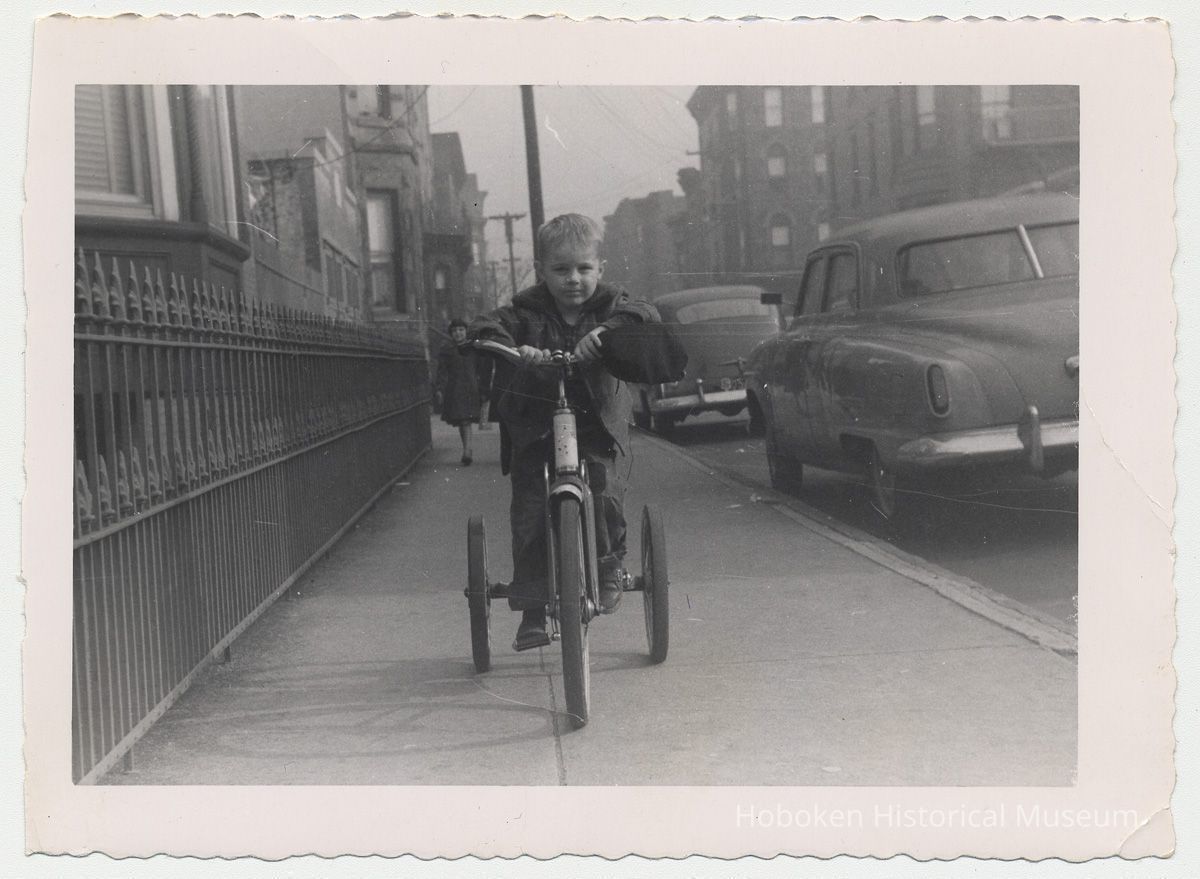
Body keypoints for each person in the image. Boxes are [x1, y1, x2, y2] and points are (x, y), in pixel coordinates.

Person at [470, 213, 660, 651]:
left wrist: (605, 331)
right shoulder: (525, 310)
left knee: (606, 487)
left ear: (600, 268)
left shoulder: (610, 304)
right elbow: (484, 325)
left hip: (594, 422)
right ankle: (534, 605)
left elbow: (645, 312)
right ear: (541, 271)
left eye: (584, 269)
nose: (573, 279)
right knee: (531, 508)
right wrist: (516, 348)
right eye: (561, 270)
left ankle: (610, 564)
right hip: (536, 425)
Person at [435, 318, 488, 465]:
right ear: (451, 333)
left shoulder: (474, 349)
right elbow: (441, 371)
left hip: (471, 388)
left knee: (466, 420)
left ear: (466, 332)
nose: (458, 333)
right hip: (454, 390)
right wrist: (439, 389)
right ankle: (467, 449)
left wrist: (483, 389)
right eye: (454, 331)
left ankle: (467, 451)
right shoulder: (447, 350)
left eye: (461, 330)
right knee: (461, 420)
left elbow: (482, 370)